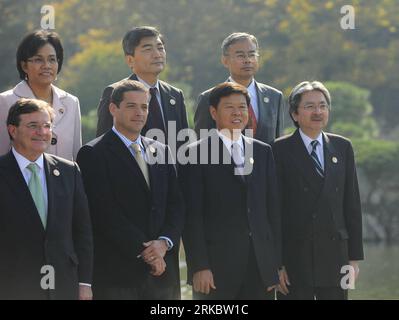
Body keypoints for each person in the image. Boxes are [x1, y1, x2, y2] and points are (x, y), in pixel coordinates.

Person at [77, 80, 184, 300]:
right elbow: (103, 211)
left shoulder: (162, 150)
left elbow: (176, 204)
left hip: (163, 276)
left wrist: (164, 243)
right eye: (131, 106)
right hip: (118, 275)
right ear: (113, 108)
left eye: (144, 107)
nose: (139, 112)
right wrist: (148, 252)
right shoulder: (92, 153)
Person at [182, 82, 281, 300]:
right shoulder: (196, 153)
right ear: (213, 112)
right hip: (215, 270)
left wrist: (275, 265)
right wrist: (199, 266)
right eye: (229, 107)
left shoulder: (263, 152)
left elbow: (272, 211)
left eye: (242, 107)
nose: (237, 113)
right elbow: (192, 217)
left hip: (260, 268)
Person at [272, 81, 364, 300]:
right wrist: (276, 264)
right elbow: (273, 210)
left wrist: (353, 260)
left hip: (335, 257)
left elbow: (351, 205)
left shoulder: (343, 147)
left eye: (323, 106)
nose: (318, 112)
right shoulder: (279, 149)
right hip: (295, 256)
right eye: (310, 106)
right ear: (294, 114)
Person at [0, 98, 93, 300]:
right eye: (33, 126)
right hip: (12, 287)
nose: (41, 132)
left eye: (46, 126)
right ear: (12, 130)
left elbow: (82, 232)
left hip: (64, 286)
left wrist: (84, 283)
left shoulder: (70, 171)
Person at [95, 26, 188, 146]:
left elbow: (184, 147)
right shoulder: (115, 92)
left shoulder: (175, 95)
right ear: (130, 60)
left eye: (160, 48)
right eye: (148, 49)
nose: (157, 55)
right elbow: (104, 145)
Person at [0, 30, 82, 160]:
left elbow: (77, 154)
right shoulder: (5, 101)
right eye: (38, 60)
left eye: (52, 60)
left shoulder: (71, 102)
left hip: (63, 180)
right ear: (24, 66)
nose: (46, 66)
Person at [194, 32, 284, 143]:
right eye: (240, 55)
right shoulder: (208, 98)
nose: (247, 60)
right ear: (225, 60)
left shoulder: (274, 96)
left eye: (252, 54)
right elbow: (202, 146)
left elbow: (278, 142)